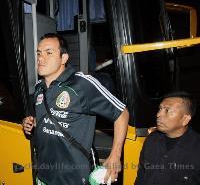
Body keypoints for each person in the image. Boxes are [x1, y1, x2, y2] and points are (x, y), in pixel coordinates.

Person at [22, 33, 129, 185]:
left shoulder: (81, 84)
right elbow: (43, 117)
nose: (40, 58)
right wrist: (31, 122)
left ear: (64, 58)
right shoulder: (39, 88)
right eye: (39, 53)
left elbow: (121, 113)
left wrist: (115, 155)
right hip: (45, 176)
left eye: (49, 53)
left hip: (76, 177)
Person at [135, 91, 200, 185]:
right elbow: (141, 175)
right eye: (160, 109)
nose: (158, 114)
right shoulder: (152, 140)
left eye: (167, 110)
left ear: (185, 119)